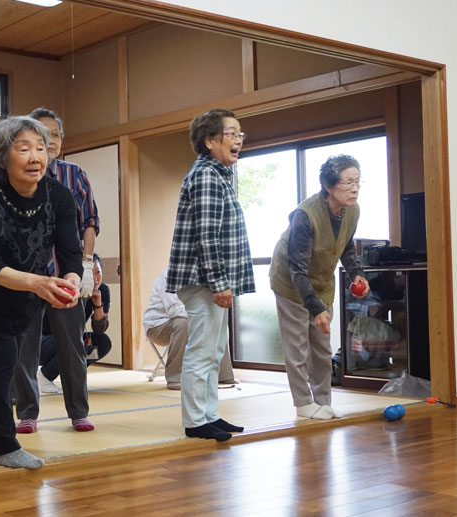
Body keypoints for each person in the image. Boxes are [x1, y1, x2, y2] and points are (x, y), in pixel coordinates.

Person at [0, 115, 83, 469]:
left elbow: (70, 252)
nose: (36, 156)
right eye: (24, 149)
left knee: (1, 360)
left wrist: (70, 281)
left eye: (41, 147)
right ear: (3, 157)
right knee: (2, 356)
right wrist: (39, 283)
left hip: (25, 285)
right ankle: (3, 446)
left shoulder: (60, 196)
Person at [166, 109, 254, 442]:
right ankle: (194, 420)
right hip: (203, 281)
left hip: (214, 280)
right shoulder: (205, 174)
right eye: (231, 133)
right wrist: (220, 284)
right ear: (210, 140)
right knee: (202, 351)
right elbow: (207, 235)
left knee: (214, 351)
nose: (239, 140)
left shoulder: (223, 174)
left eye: (240, 134)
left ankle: (209, 414)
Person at [12, 108, 100, 434]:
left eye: (56, 136)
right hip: (28, 276)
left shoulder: (73, 175)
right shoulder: (18, 179)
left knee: (73, 345)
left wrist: (88, 265)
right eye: (42, 136)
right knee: (24, 346)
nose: (51, 142)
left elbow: (90, 222)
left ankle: (78, 411)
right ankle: (27, 414)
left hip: (66, 272)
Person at [269, 154, 370, 420]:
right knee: (298, 346)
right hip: (291, 283)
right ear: (329, 185)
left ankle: (323, 401)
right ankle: (303, 404)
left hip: (322, 283)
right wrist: (315, 308)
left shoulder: (352, 210)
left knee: (323, 348)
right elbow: (297, 270)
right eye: (348, 182)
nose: (355, 188)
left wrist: (356, 274)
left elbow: (346, 246)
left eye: (357, 181)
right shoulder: (306, 215)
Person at [143, 268, 238, 390]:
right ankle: (175, 378)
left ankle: (222, 375)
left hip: (191, 320)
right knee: (184, 323)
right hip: (158, 325)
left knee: (218, 320)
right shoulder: (170, 275)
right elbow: (174, 310)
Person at [38, 254, 111, 394]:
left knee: (102, 342)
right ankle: (45, 375)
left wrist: (98, 305)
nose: (95, 279)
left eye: (98, 273)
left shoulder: (103, 290)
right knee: (76, 342)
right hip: (44, 341)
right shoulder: (69, 288)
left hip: (71, 339)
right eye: (90, 274)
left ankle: (64, 376)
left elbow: (99, 330)